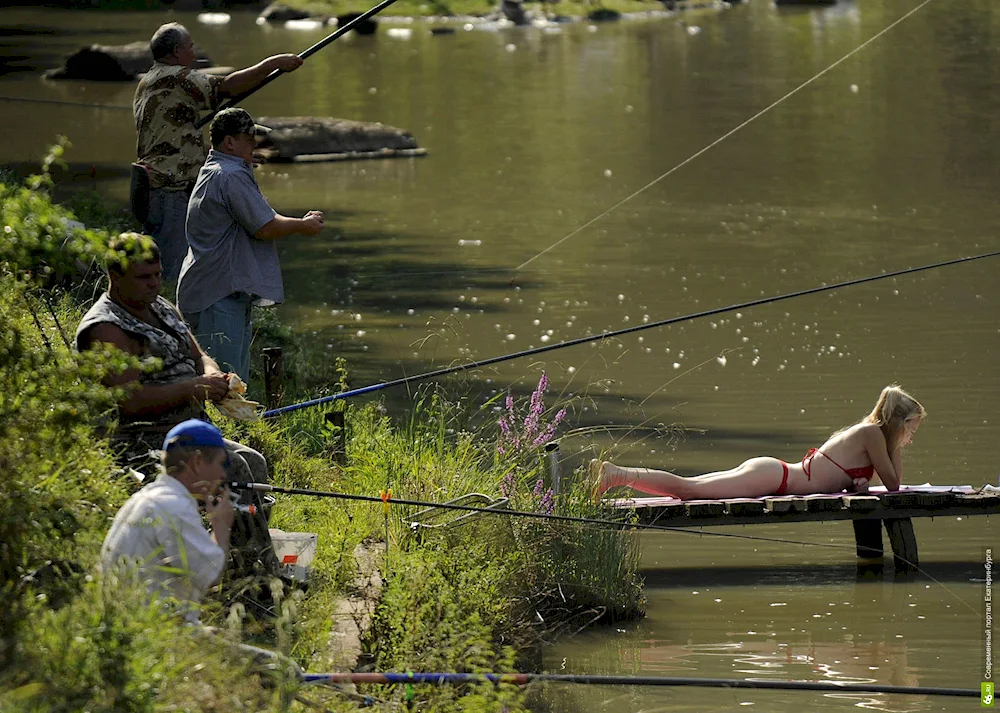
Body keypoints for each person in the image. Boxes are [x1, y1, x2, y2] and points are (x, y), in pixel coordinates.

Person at [75, 233, 278, 582]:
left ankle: (239, 562)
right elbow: (129, 401)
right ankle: (254, 579)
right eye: (143, 277)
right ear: (115, 276)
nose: (154, 283)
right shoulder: (106, 328)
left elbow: (197, 354)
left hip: (186, 431)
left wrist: (214, 375)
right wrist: (193, 388)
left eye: (156, 274)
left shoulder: (160, 306)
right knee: (237, 470)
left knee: (255, 462)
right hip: (140, 440)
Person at [133, 22, 304, 280]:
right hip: (168, 188)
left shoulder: (148, 81)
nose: (194, 52)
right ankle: (166, 315)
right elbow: (227, 87)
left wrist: (231, 155)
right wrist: (274, 63)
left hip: (156, 183)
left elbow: (177, 139)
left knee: (169, 261)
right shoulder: (175, 77)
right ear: (177, 51)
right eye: (190, 46)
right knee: (169, 269)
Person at [176, 107, 324, 383]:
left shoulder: (217, 170)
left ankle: (233, 426)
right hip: (218, 295)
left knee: (229, 380)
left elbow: (262, 221)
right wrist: (302, 225)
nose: (254, 143)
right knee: (225, 384)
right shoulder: (231, 175)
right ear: (228, 142)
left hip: (215, 290)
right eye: (248, 137)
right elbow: (265, 227)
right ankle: (227, 427)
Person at [593, 385, 926, 500]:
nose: (911, 437)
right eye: (911, 429)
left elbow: (871, 479)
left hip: (774, 474)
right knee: (688, 490)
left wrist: (857, 484)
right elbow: (895, 486)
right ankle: (616, 474)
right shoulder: (873, 434)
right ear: (899, 422)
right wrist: (896, 442)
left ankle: (617, 474)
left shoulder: (870, 436)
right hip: (776, 477)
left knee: (689, 486)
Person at [100, 419, 234, 624]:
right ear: (197, 462)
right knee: (277, 659)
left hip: (127, 626)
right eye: (220, 463)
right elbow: (211, 576)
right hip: (152, 635)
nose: (223, 474)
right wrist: (221, 525)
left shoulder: (146, 498)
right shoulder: (174, 507)